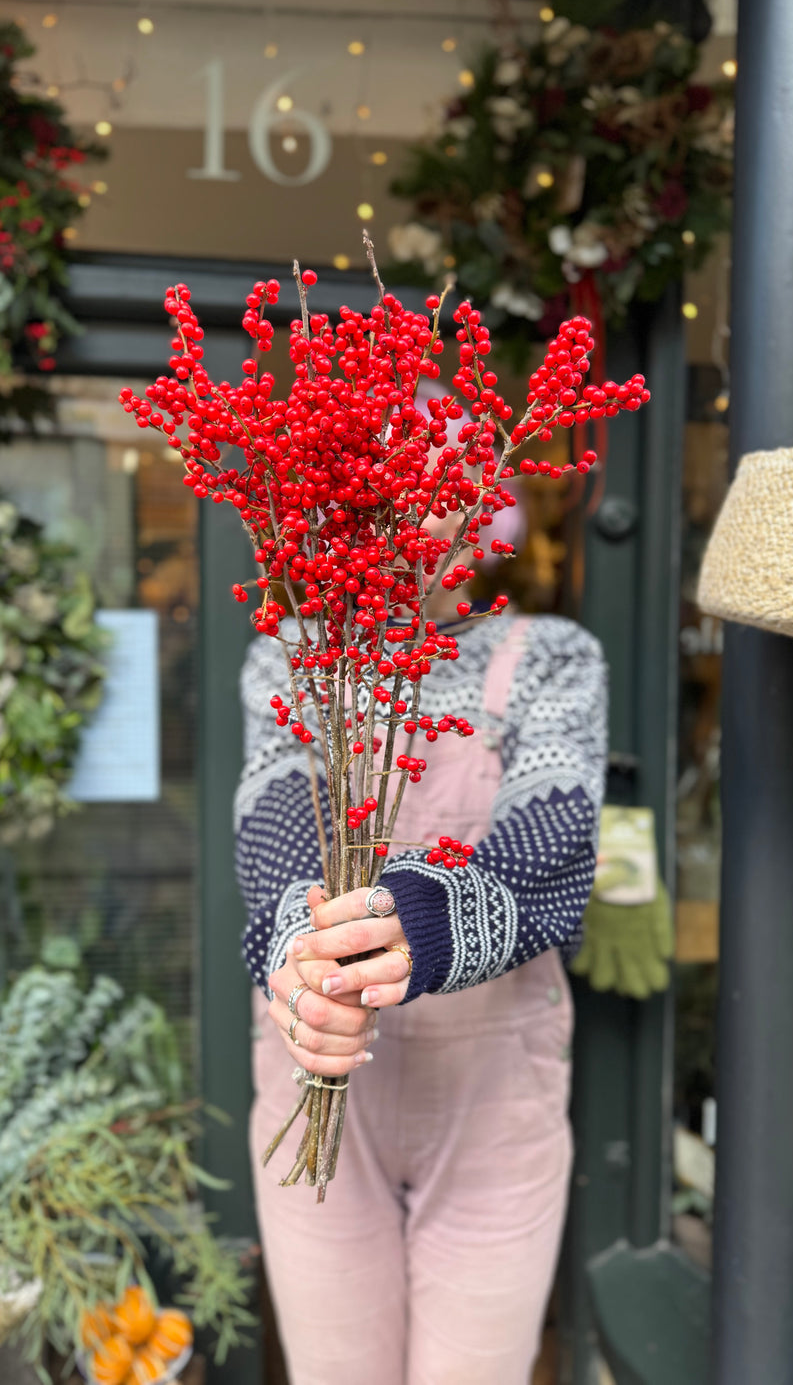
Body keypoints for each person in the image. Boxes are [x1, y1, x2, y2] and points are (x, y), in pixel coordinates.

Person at [234, 397, 607, 1384]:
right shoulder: (295, 659)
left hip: (493, 1090)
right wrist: (297, 961)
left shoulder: (551, 659)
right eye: (393, 480)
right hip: (319, 1069)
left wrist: (425, 922)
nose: (422, 511)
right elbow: (272, 815)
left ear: (487, 501)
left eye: (446, 485)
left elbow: (554, 836)